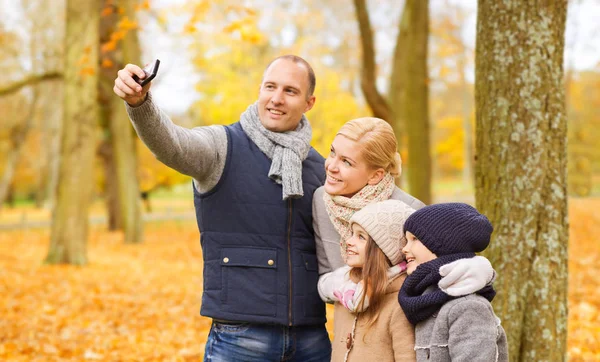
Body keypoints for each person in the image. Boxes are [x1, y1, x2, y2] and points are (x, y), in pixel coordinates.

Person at [113, 55, 330, 361]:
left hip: (311, 340)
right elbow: (172, 144)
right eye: (270, 87)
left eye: (290, 91)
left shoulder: (320, 167)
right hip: (240, 339)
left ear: (309, 102)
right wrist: (140, 104)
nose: (276, 99)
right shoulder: (222, 145)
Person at [314, 118, 495, 304]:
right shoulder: (322, 200)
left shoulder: (411, 210)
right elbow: (325, 275)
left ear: (376, 175)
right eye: (332, 152)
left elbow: (431, 279)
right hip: (349, 323)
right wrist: (347, 290)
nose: (331, 166)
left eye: (346, 162)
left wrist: (373, 288)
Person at [398, 203, 509, 361]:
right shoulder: (427, 302)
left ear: (443, 245)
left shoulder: (468, 307)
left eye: (414, 239)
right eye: (406, 240)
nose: (405, 249)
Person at [318, 200, 417, 361]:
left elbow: (407, 357)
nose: (349, 241)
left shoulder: (400, 303)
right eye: (352, 234)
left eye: (361, 237)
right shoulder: (346, 292)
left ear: (382, 250)